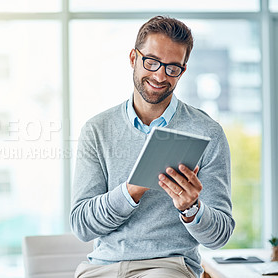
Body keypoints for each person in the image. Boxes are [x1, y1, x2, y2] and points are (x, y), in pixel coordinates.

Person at [70, 15, 235, 278]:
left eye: (172, 68)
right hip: (102, 266)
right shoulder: (97, 129)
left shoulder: (208, 133)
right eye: (152, 62)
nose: (160, 75)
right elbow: (82, 226)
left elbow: (219, 236)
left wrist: (191, 208)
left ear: (183, 70)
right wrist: (131, 191)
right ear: (134, 59)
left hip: (167, 266)